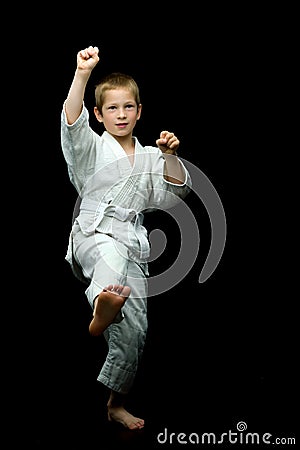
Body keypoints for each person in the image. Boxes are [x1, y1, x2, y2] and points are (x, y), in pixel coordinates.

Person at [60, 45, 191, 430]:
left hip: (132, 241)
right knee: (109, 261)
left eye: (128, 107)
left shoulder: (150, 155)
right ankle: (101, 303)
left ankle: (115, 403)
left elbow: (175, 193)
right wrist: (82, 74)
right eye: (112, 109)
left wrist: (168, 155)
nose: (121, 115)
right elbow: (72, 125)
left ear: (139, 111)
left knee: (136, 328)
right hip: (93, 232)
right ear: (99, 114)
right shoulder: (92, 148)